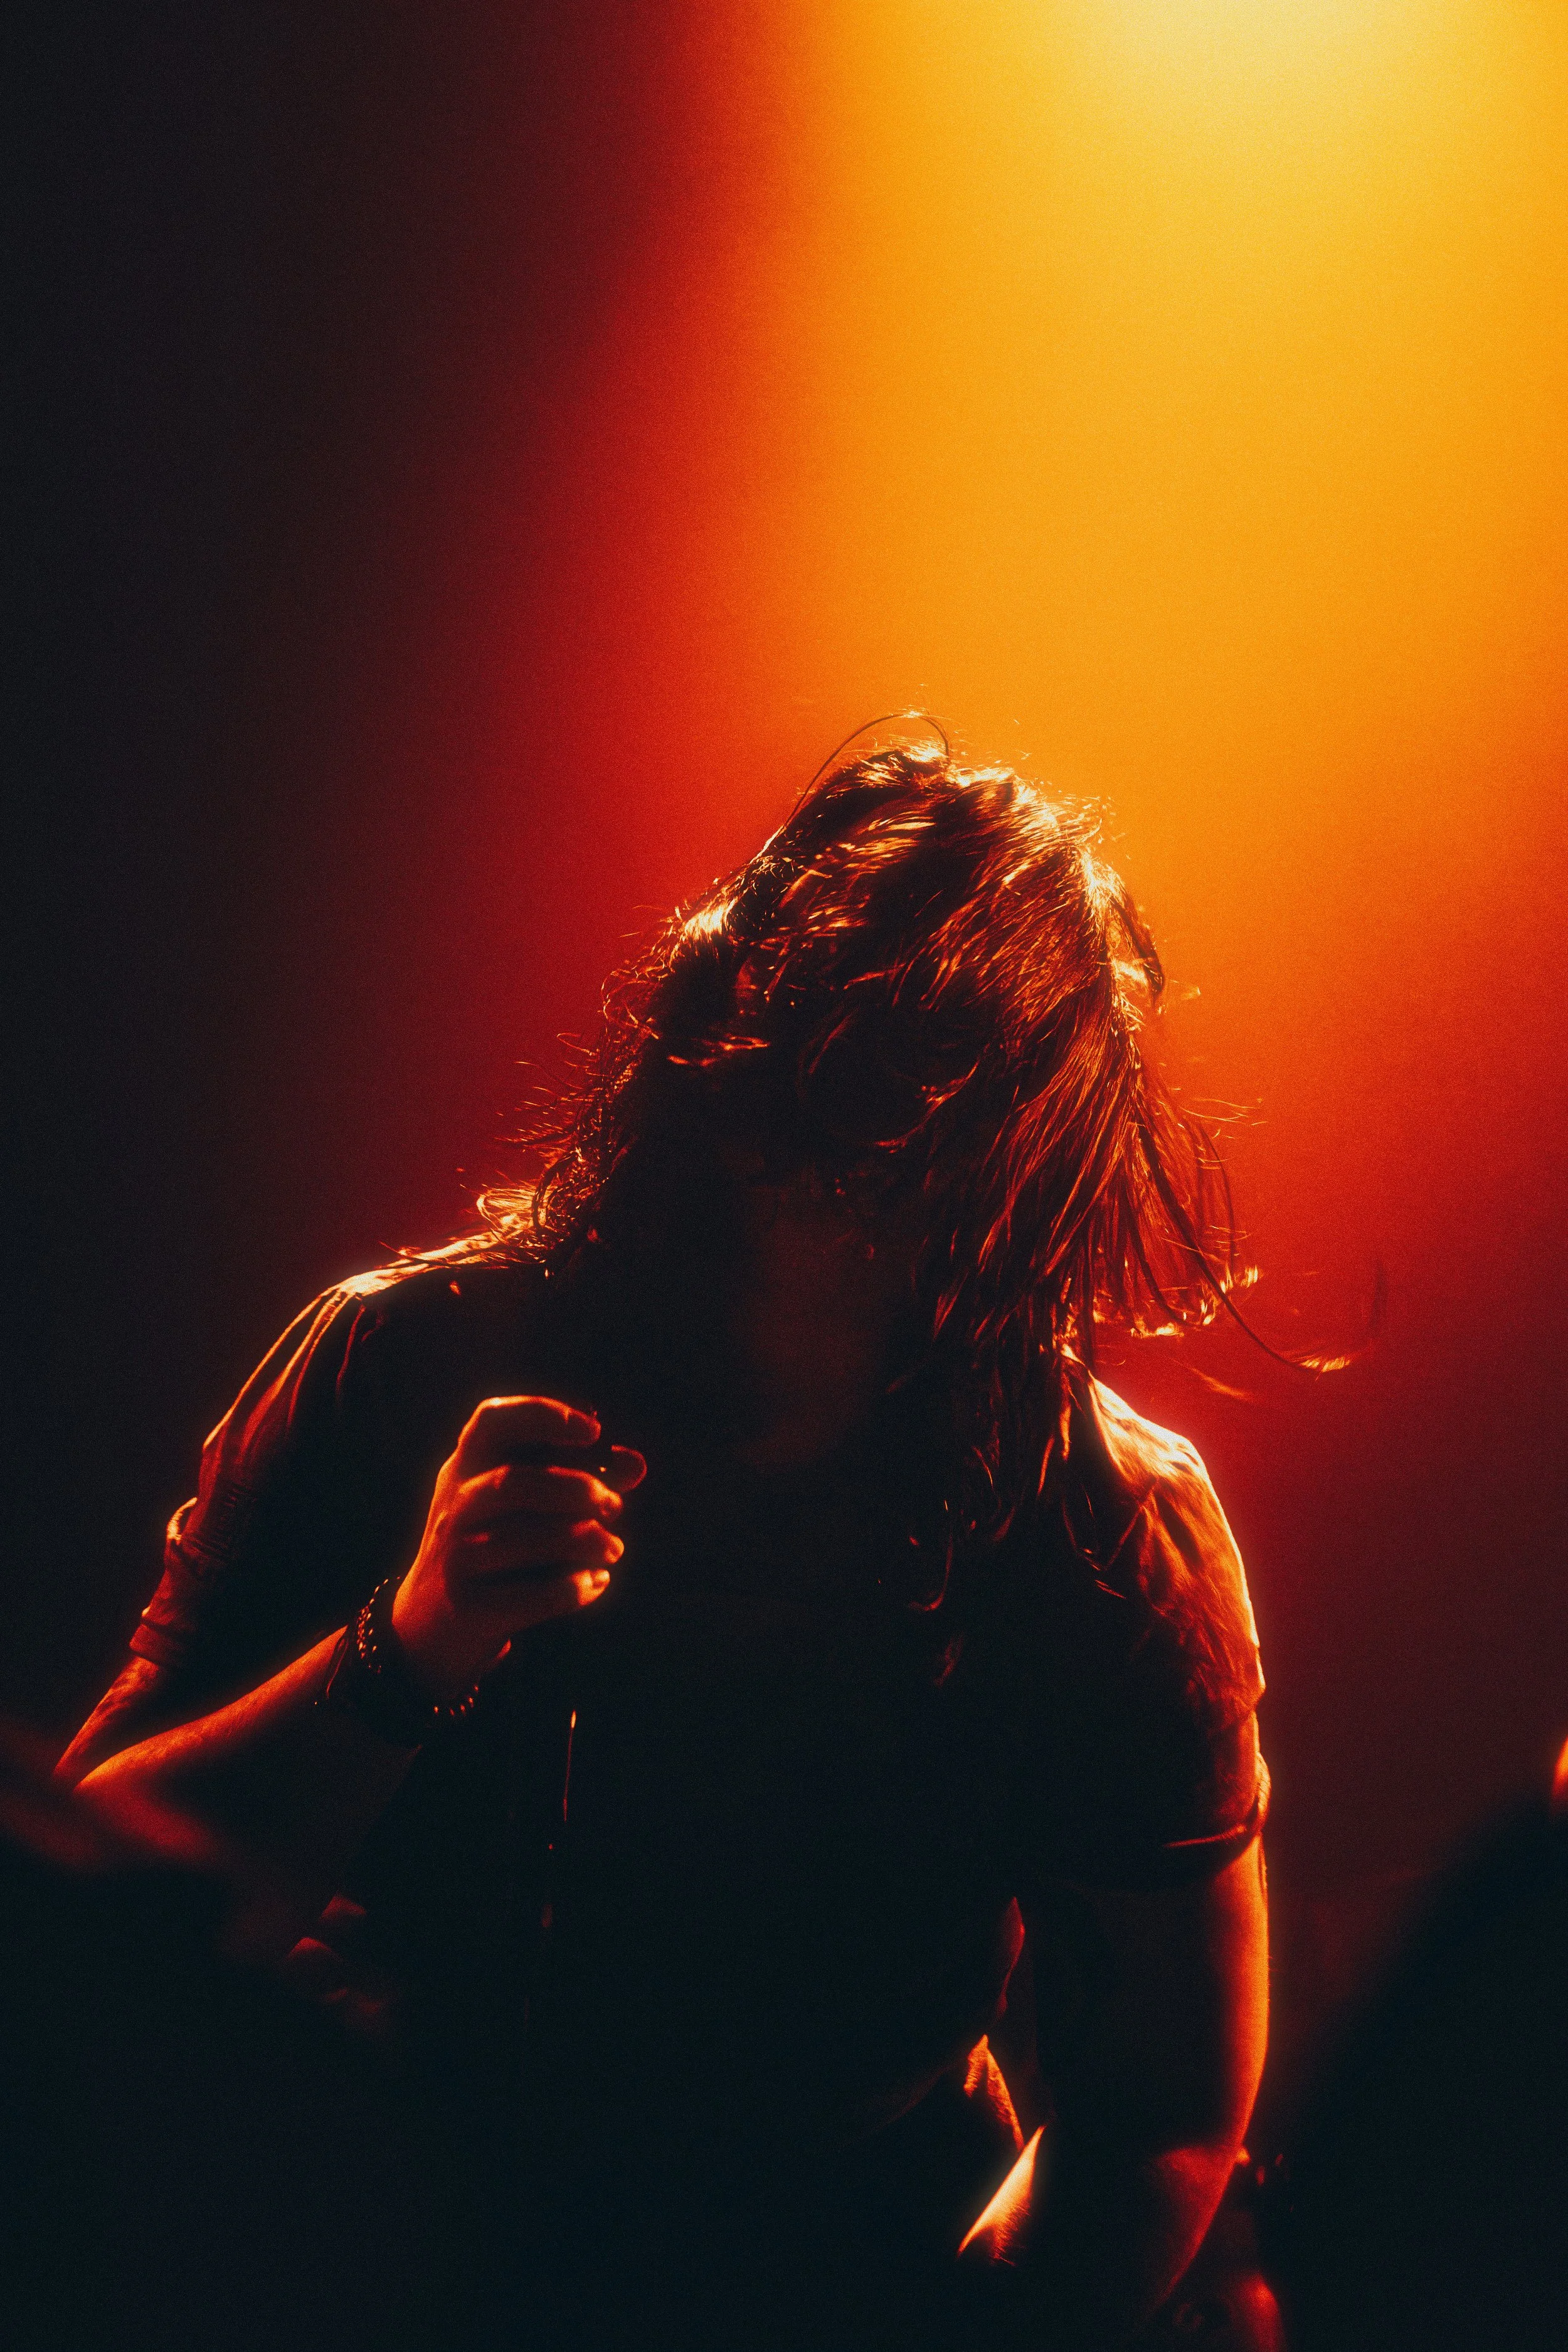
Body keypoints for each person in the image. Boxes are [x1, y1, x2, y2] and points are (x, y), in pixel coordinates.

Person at [60, 744, 1271, 2350]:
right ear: (723, 1051)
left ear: (1024, 1163)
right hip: (346, 2247)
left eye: (924, 1142)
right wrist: (400, 1650)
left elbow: (1161, 2113)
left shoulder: (1109, 1525)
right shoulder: (396, 1363)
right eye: (826, 1104)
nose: (849, 1211)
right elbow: (86, 1932)